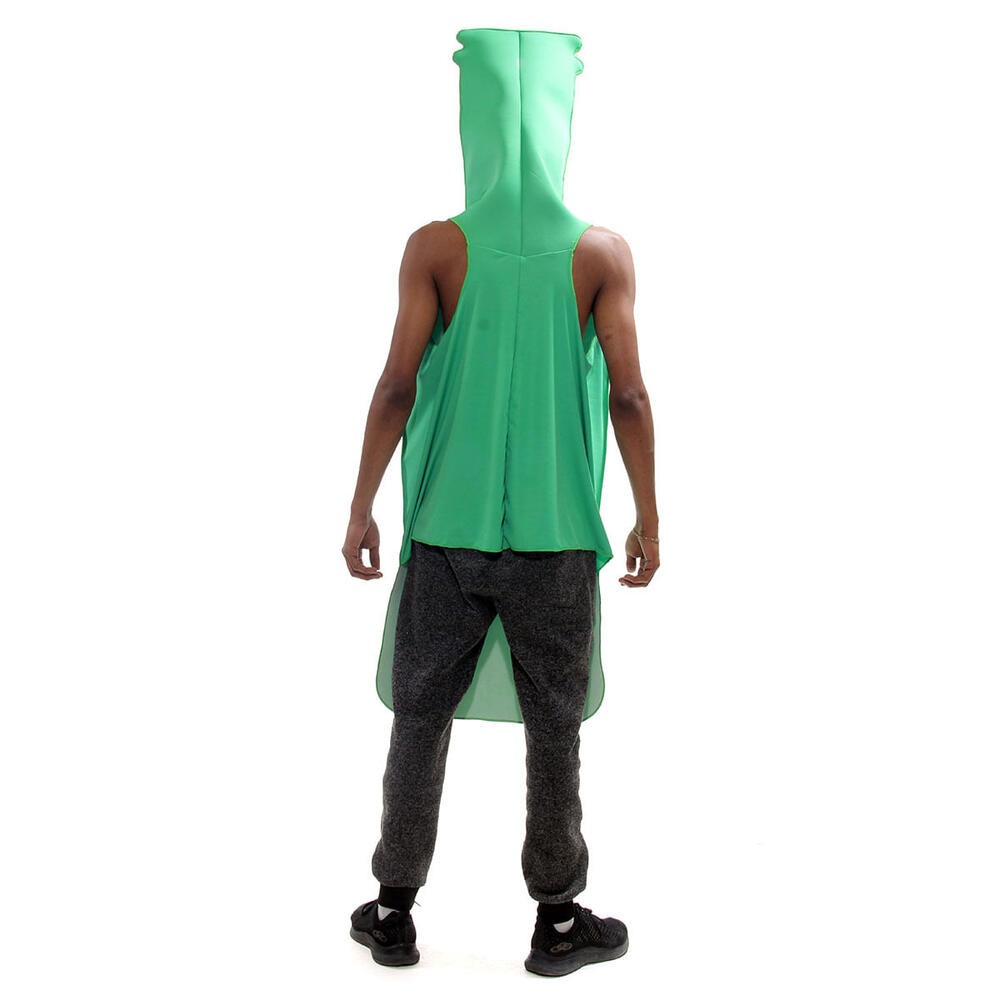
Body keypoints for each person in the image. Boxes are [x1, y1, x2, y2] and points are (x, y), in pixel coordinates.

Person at [343, 28, 658, 977]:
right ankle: (558, 922)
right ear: (564, 119)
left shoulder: (437, 247)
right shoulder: (601, 254)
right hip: (556, 541)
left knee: (419, 717)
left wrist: (361, 506)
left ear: (471, 120)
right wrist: (647, 514)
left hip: (449, 531)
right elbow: (630, 395)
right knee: (556, 727)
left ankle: (393, 911)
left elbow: (396, 386)